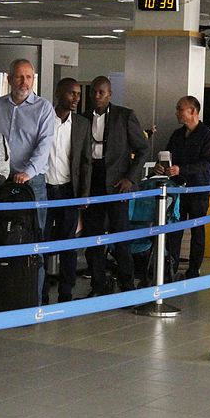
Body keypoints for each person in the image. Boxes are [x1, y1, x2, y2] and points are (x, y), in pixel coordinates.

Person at [82, 75, 150, 295]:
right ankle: (98, 285)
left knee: (121, 237)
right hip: (92, 181)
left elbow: (143, 148)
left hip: (117, 183)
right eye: (93, 91)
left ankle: (127, 285)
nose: (96, 96)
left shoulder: (124, 116)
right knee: (93, 238)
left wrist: (130, 178)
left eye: (101, 92)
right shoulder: (83, 118)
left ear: (110, 94)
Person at [0, 59, 56, 231]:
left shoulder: (44, 108)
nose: (25, 82)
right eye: (19, 77)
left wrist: (28, 173)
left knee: (34, 230)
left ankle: (35, 259)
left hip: (31, 181)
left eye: (29, 77)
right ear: (9, 79)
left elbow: (44, 145)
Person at [43, 77, 92, 303]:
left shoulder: (82, 124)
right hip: (44, 190)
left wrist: (84, 193)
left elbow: (85, 162)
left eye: (79, 94)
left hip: (68, 192)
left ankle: (66, 293)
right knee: (42, 242)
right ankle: (41, 292)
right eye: (72, 93)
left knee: (69, 245)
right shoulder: (43, 119)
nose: (76, 98)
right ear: (58, 93)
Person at [159, 96, 210, 280]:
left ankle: (194, 269)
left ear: (192, 111)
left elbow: (206, 163)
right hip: (178, 189)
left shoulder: (207, 134)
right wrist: (161, 166)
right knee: (175, 229)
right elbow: (168, 154)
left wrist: (181, 169)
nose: (177, 112)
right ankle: (171, 267)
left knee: (197, 230)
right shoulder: (177, 135)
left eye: (180, 109)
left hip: (198, 189)